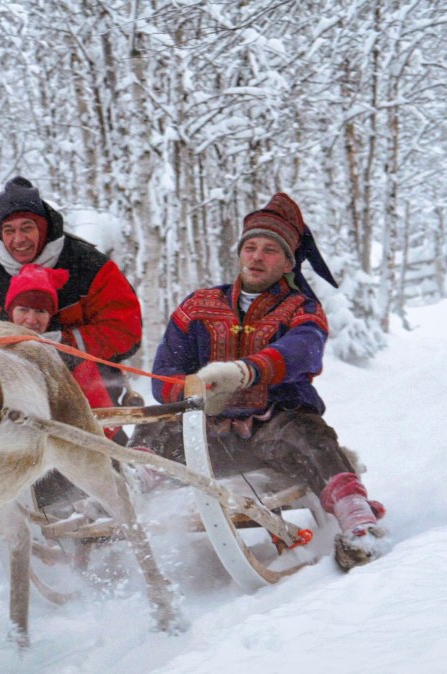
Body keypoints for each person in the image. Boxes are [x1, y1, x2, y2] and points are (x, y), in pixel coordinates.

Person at [137, 192, 390, 571]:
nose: (257, 257)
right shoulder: (197, 305)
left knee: (313, 438)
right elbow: (164, 374)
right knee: (153, 427)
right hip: (207, 438)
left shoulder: (301, 308)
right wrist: (196, 390)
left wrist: (245, 372)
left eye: (270, 250)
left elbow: (303, 350)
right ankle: (126, 488)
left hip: (275, 434)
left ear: (288, 262)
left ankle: (358, 524)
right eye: (250, 248)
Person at [0, 176, 142, 405]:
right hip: (2, 389)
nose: (18, 239)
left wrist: (64, 343)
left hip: (86, 388)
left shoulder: (88, 266)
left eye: (27, 228)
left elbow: (125, 330)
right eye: (9, 230)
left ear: (43, 228)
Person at [4, 263, 117, 437]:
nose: (31, 319)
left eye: (40, 311)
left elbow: (104, 419)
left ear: (50, 316)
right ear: (11, 312)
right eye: (23, 310)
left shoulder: (71, 357)